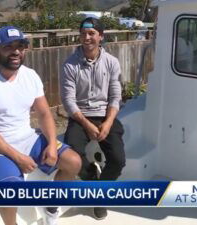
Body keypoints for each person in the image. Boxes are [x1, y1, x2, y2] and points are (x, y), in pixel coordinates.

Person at [0, 25, 82, 225]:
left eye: (20, 45)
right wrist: (18, 157)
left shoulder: (30, 75)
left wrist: (52, 144)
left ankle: (51, 205)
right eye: (8, 46)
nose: (16, 51)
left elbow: (44, 112)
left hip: (27, 137)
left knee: (73, 162)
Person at [60, 17, 126, 220]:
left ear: (100, 36)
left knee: (118, 159)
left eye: (91, 33)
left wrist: (107, 123)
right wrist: (87, 124)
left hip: (105, 115)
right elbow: (68, 101)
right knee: (72, 155)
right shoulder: (70, 65)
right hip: (80, 117)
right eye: (83, 33)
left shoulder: (112, 62)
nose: (86, 37)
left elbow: (116, 96)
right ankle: (92, 179)